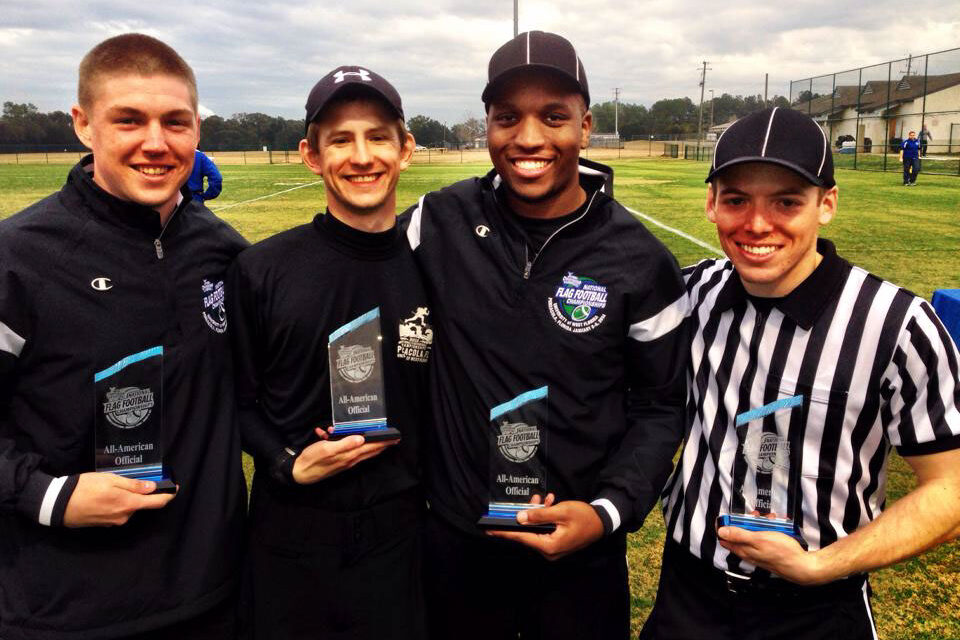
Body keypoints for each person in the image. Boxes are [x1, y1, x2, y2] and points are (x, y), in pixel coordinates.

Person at [405, 31, 688, 640]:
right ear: (487, 126)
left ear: (585, 128)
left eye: (553, 117)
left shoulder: (640, 260)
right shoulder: (439, 220)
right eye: (508, 117)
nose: (529, 138)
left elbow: (661, 406)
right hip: (457, 540)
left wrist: (607, 511)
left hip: (578, 551)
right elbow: (350, 274)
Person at [642, 107, 960, 639]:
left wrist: (821, 564)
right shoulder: (691, 293)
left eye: (787, 201)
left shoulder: (898, 325)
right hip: (687, 596)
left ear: (827, 204)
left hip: (815, 610)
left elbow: (950, 489)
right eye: (737, 200)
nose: (757, 224)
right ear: (711, 204)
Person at [0, 34, 247, 639]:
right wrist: (46, 494)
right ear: (83, 125)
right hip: (67, 610)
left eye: (176, 122)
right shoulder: (18, 258)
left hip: (215, 595)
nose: (156, 143)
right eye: (129, 120)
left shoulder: (220, 249)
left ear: (196, 130)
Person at [228, 66, 429, 640]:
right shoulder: (261, 270)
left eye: (377, 137)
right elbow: (238, 401)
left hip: (403, 534)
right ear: (312, 156)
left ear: (405, 149)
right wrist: (285, 462)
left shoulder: (435, 269)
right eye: (340, 139)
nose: (361, 156)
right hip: (292, 536)